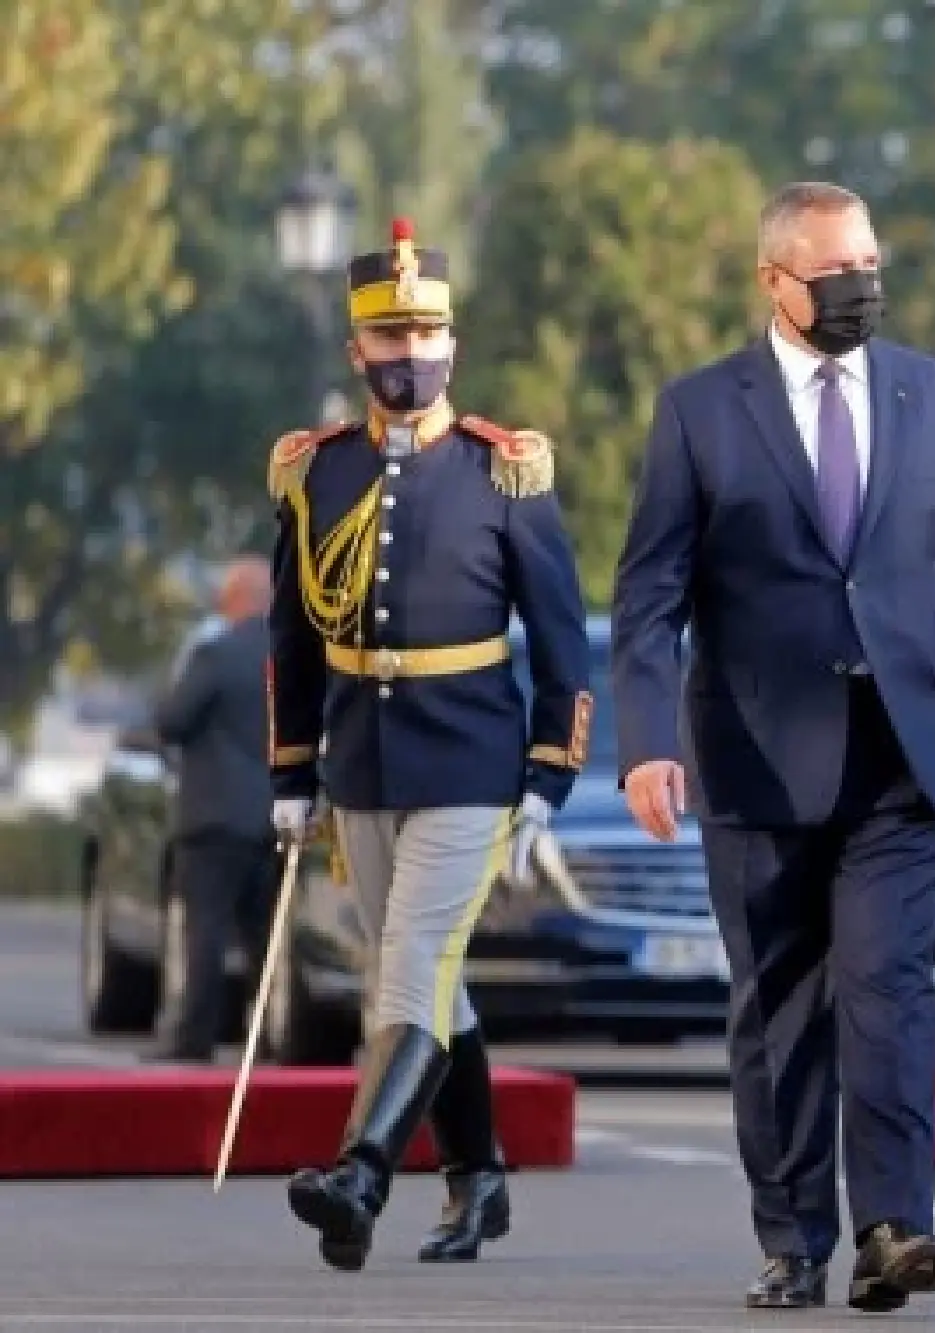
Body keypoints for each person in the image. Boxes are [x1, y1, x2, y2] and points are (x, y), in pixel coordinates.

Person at [611, 181, 935, 1314]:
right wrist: (647, 742)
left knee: (888, 985)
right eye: (836, 271)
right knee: (779, 1004)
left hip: (907, 752)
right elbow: (648, 596)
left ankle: (894, 1226)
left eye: (871, 265)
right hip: (754, 757)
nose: (861, 289)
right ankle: (793, 1235)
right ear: (774, 281)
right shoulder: (700, 411)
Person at [264, 216, 592, 1272]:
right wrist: (291, 771)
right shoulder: (314, 471)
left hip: (469, 760)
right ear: (356, 351)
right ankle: (477, 1178)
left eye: (427, 340)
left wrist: (548, 774)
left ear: (452, 345)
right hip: (362, 755)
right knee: (429, 983)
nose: (410, 359)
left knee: (408, 964)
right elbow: (292, 634)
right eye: (389, 342)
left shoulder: (507, 471)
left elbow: (560, 640)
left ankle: (359, 1170)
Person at [146, 556, 279, 1064]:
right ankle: (267, 1035)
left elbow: (172, 720)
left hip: (213, 818)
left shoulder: (215, 654)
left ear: (235, 598)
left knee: (205, 930)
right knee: (263, 936)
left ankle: (194, 1038)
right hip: (273, 818)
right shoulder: (293, 660)